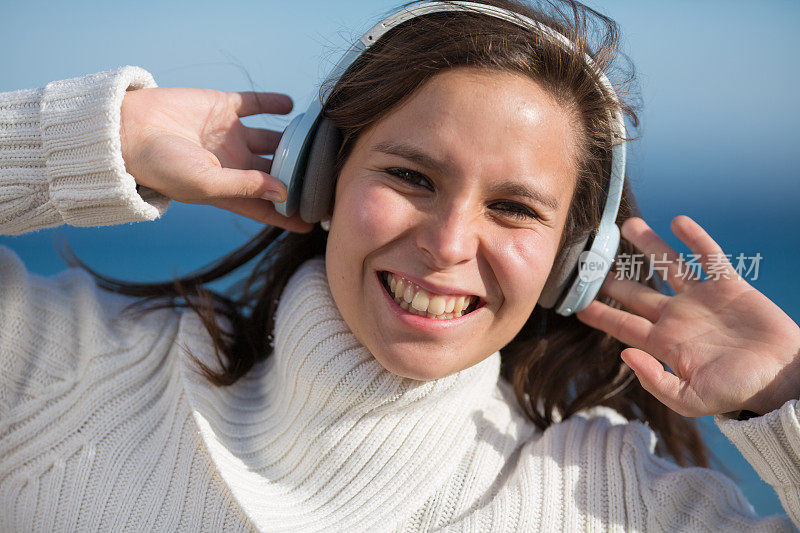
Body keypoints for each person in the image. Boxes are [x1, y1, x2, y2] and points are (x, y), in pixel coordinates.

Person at [1, 0, 799, 530]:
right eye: (413, 177)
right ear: (321, 174)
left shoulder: (616, 504)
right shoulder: (67, 374)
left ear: (573, 260)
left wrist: (785, 400)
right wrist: (98, 135)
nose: (449, 243)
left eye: (515, 208)